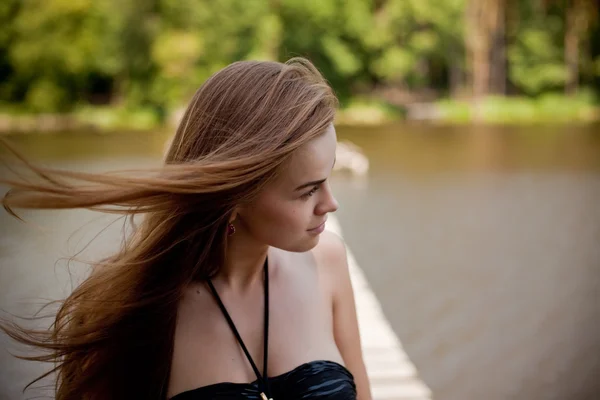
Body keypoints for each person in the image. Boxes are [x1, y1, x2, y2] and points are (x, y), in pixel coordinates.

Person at [0, 58, 372, 400]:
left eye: (327, 178)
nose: (330, 203)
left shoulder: (328, 261)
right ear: (236, 194)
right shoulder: (135, 306)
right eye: (307, 190)